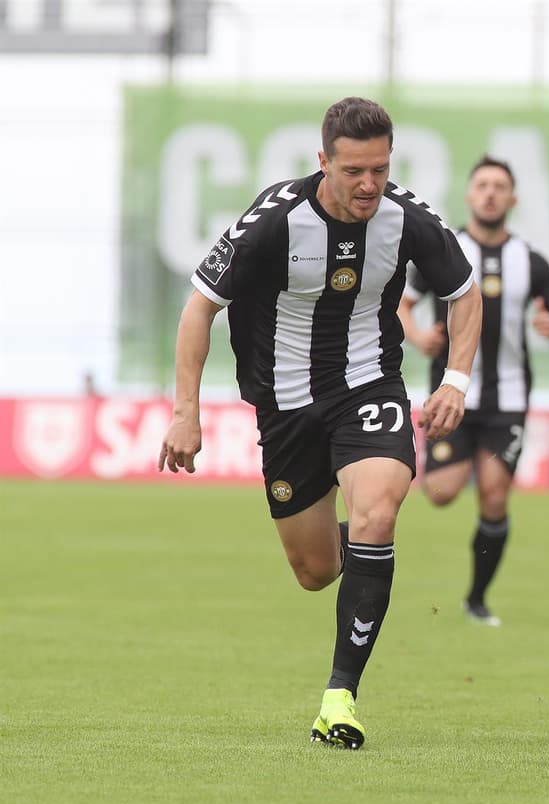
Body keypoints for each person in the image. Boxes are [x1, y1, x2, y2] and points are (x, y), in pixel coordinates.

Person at [157, 96, 482, 750]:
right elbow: (200, 309)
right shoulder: (273, 220)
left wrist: (455, 379)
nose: (369, 184)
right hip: (285, 406)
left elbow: (463, 290)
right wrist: (185, 411)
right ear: (323, 162)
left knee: (379, 513)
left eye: (380, 170)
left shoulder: (405, 217)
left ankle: (340, 697)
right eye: (354, 170)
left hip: (370, 385)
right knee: (314, 568)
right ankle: (358, 550)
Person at [399, 155, 549, 627]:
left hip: (509, 399)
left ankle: (477, 600)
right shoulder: (444, 250)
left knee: (495, 498)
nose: (491, 193)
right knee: (439, 493)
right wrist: (418, 337)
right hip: (451, 395)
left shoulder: (531, 261)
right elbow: (402, 303)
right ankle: (461, 459)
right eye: (483, 185)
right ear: (469, 195)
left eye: (500, 185)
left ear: (513, 198)